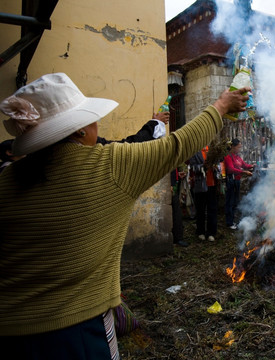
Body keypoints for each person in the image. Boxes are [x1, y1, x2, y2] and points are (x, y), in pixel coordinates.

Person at [0, 72, 249, 358]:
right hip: (75, 331)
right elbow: (178, 145)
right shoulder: (110, 166)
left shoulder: (7, 179)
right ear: (80, 129)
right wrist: (220, 106)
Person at [189, 145, 219, 241]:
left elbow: (219, 165)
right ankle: (200, 231)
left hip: (212, 183)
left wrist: (216, 168)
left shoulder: (212, 150)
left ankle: (211, 232)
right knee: (201, 209)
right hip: (200, 185)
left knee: (212, 209)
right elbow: (192, 167)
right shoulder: (195, 150)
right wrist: (203, 167)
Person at [224, 138, 254, 229]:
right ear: (233, 147)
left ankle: (233, 221)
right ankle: (229, 222)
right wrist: (244, 172)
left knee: (235, 202)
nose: (240, 149)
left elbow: (244, 165)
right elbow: (230, 169)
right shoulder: (228, 157)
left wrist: (252, 166)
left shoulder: (237, 156)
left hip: (237, 181)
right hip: (231, 181)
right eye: (238, 147)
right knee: (230, 202)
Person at [171, 165, 189, 246]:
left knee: (176, 211)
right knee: (176, 212)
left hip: (174, 184)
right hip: (171, 185)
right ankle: (177, 238)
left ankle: (177, 237)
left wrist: (179, 175)